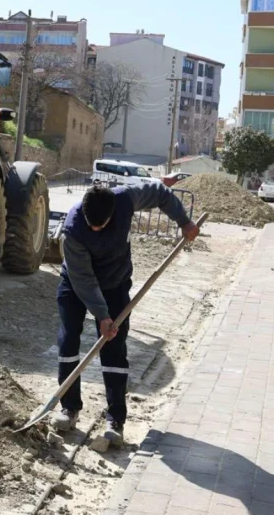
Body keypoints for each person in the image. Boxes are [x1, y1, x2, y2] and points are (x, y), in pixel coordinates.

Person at [52, 183, 199, 447]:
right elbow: (84, 280)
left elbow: (161, 193)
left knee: (114, 347)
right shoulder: (73, 230)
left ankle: (115, 419)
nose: (96, 229)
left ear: (113, 213)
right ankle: (69, 407)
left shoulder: (126, 199)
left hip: (115, 283)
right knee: (68, 339)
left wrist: (183, 221)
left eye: (102, 225)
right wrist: (102, 315)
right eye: (91, 225)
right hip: (75, 283)